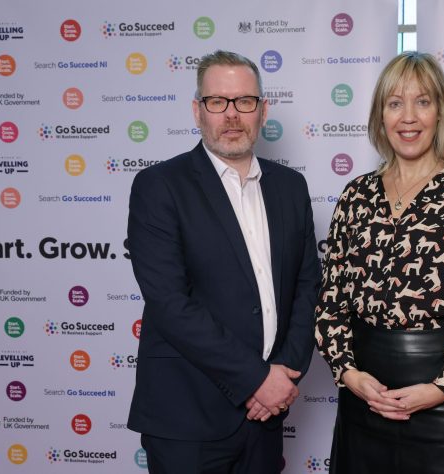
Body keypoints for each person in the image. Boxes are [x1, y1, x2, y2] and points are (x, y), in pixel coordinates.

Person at [314, 51, 444, 474]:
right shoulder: (356, 197)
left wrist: (442, 388)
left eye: (422, 101)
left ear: (441, 112)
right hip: (365, 394)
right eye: (394, 103)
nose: (408, 117)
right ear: (380, 116)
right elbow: (330, 303)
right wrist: (349, 374)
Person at [127, 50, 321, 474]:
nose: (231, 115)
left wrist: (284, 376)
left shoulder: (290, 187)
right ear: (198, 110)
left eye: (245, 102)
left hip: (267, 418)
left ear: (263, 110)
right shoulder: (159, 187)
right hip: (188, 419)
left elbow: (308, 287)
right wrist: (257, 380)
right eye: (218, 102)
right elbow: (169, 302)